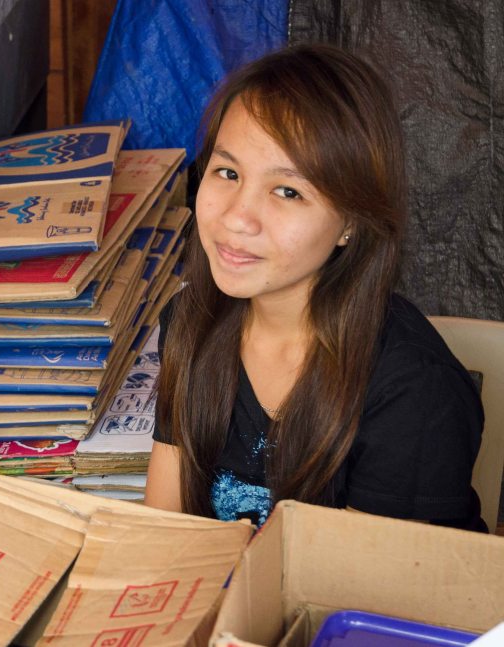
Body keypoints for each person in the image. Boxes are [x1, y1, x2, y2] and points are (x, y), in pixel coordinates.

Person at [144, 44, 486, 532]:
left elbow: (358, 596)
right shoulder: (192, 319)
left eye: (288, 191)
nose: (237, 218)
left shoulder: (414, 392)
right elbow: (160, 531)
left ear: (351, 221)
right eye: (228, 172)